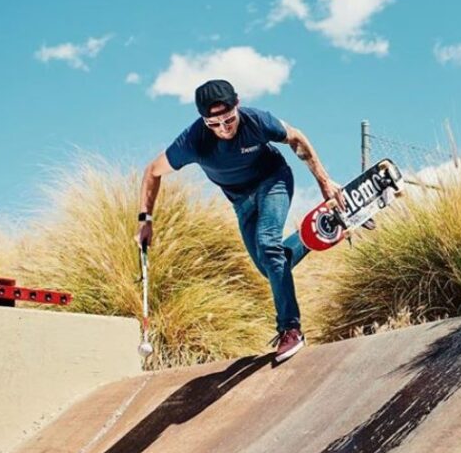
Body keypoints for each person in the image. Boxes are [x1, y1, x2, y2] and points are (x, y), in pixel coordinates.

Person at [136, 79, 346, 362]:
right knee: (269, 266)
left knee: (268, 245)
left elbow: (296, 138)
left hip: (273, 181)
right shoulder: (193, 140)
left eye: (228, 119)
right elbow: (152, 171)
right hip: (241, 202)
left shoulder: (257, 121)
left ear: (237, 105)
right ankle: (323, 227)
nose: (224, 128)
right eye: (214, 123)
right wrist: (145, 219)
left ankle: (290, 330)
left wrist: (324, 181)